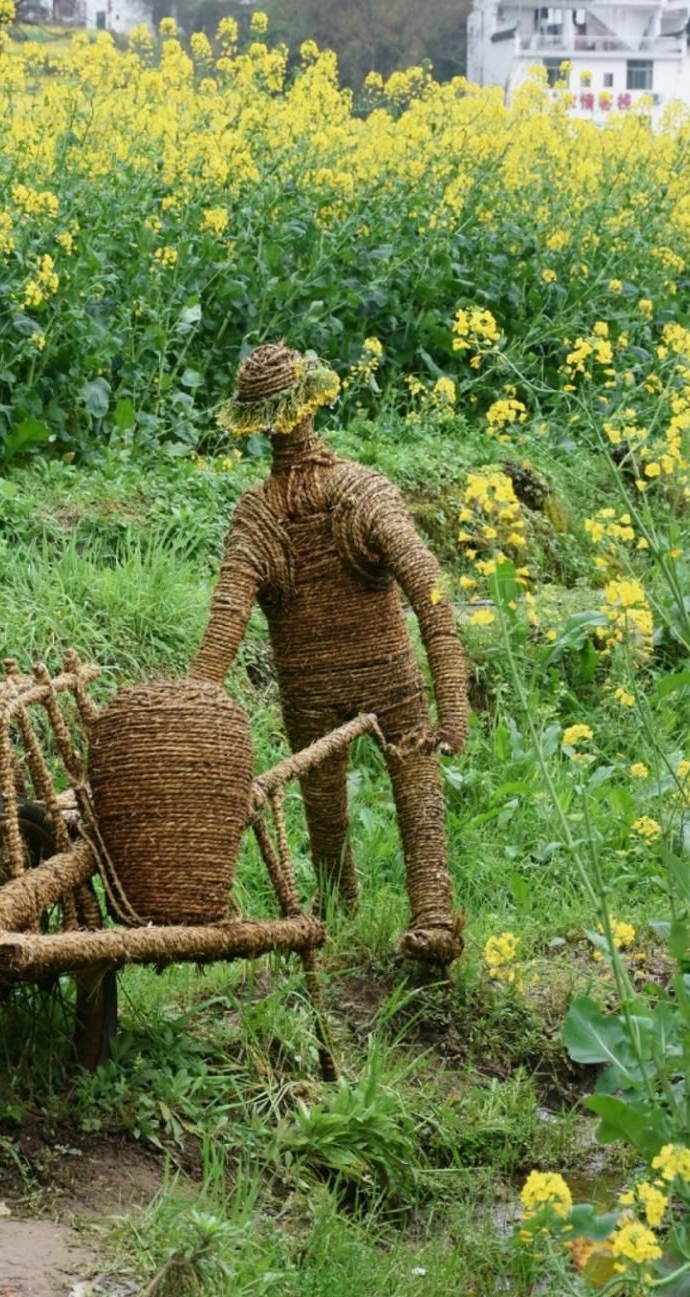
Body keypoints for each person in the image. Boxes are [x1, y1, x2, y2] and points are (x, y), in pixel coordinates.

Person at [190, 342, 469, 966]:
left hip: (308, 693)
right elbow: (430, 589)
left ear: (254, 421)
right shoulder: (361, 491)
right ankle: (429, 918)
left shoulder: (258, 516)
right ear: (312, 399)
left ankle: (339, 911)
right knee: (416, 788)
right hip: (392, 681)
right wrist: (451, 701)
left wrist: (189, 706)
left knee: (325, 804)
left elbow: (225, 628)